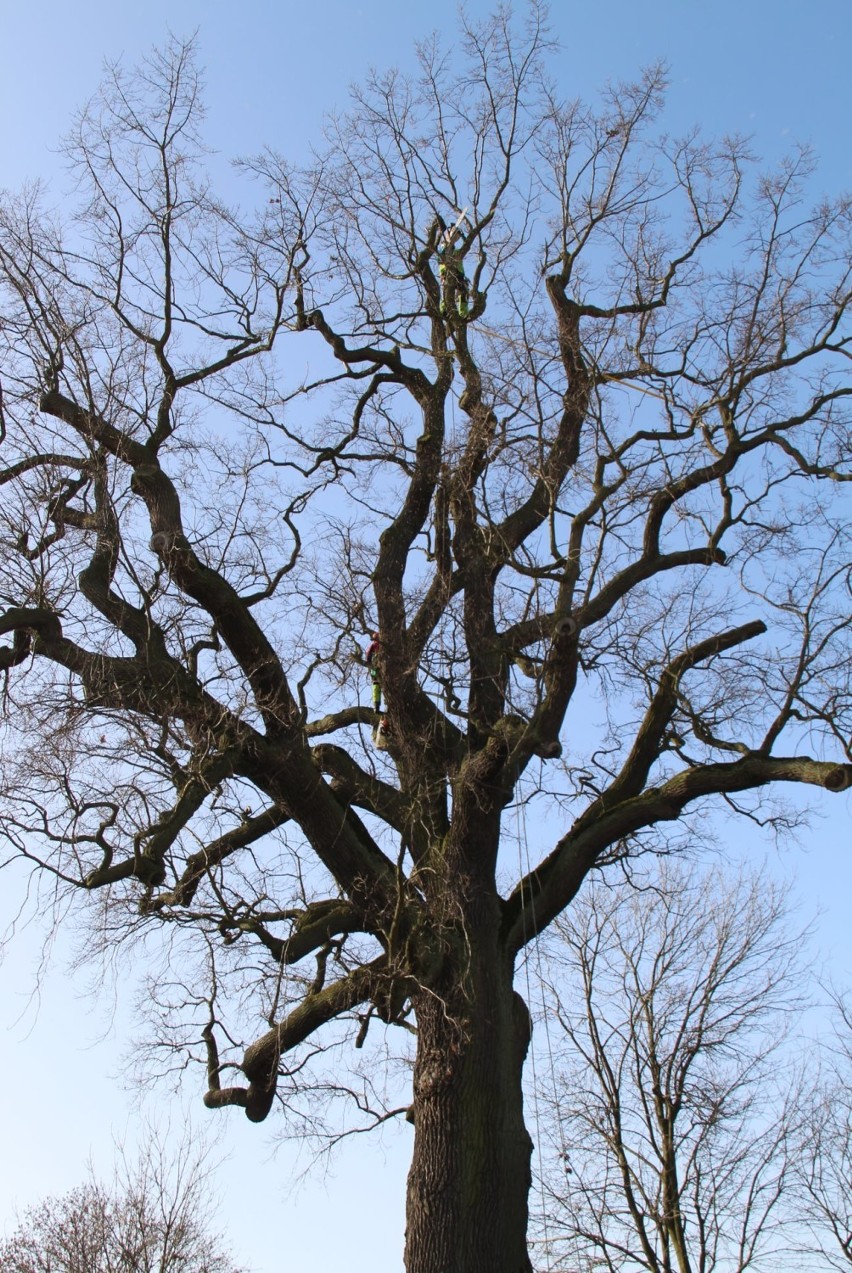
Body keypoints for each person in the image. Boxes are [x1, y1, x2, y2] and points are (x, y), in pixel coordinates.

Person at [365, 631, 381, 712]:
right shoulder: (373, 646)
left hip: (380, 667)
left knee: (377, 685)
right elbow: (368, 656)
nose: (376, 640)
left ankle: (379, 704)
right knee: (376, 684)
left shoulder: (382, 645)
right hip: (375, 668)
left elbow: (368, 656)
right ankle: (376, 705)